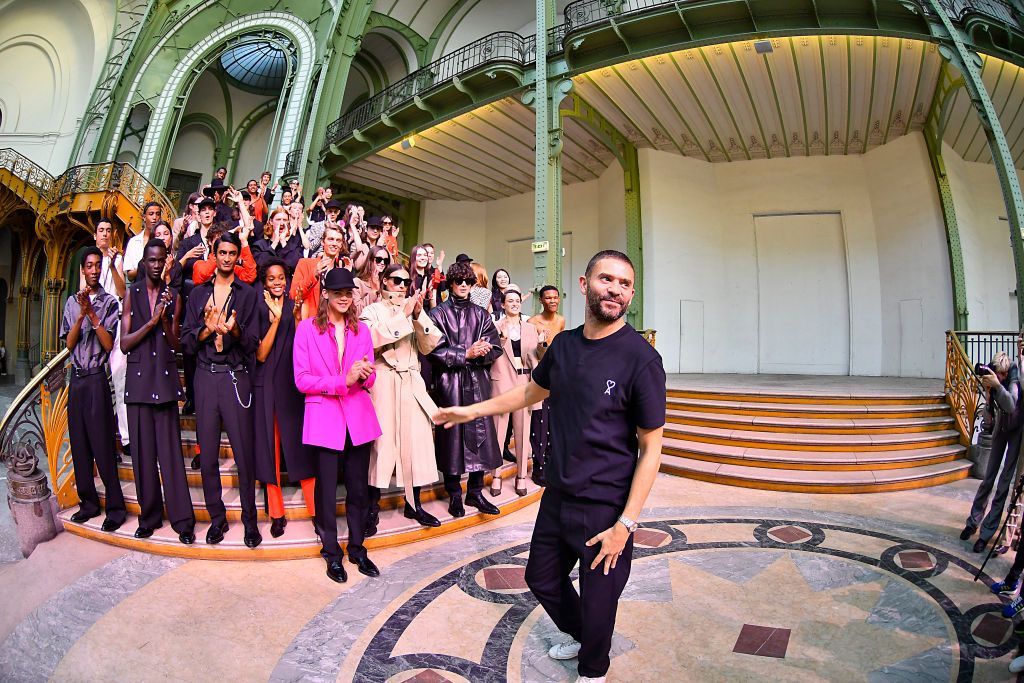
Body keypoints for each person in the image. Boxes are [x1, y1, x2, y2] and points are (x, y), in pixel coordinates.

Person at [433, 250, 666, 683]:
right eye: (605, 279)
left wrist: (627, 524)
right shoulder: (565, 345)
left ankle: (594, 670)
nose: (614, 289)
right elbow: (527, 394)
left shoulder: (641, 360)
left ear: (631, 294)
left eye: (624, 284)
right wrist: (471, 411)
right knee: (540, 577)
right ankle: (582, 637)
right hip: (559, 494)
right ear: (584, 284)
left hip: (606, 504)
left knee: (600, 603)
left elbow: (651, 447)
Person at [293, 267, 382, 582]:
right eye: (338, 292)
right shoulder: (306, 330)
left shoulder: (362, 331)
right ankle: (331, 552)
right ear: (326, 294)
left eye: (349, 293)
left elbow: (370, 376)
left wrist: (365, 373)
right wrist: (342, 380)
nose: (344, 298)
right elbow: (302, 380)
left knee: (359, 488)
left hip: (357, 416)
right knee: (327, 491)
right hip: (324, 417)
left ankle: (357, 548)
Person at [181, 231, 265, 548]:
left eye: (232, 253)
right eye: (223, 253)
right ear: (214, 255)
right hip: (205, 377)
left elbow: (253, 343)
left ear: (237, 256)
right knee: (208, 457)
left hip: (234, 376)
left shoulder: (248, 295)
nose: (228, 258)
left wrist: (235, 328)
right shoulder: (197, 295)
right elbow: (187, 343)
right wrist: (206, 329)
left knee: (244, 455)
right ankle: (218, 519)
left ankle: (250, 522)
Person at [120, 238, 196, 543]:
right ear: (143, 262)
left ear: (166, 261)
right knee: (142, 456)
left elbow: (177, 344)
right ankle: (148, 517)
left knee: (171, 457)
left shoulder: (173, 296)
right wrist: (151, 322)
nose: (155, 265)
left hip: (163, 384)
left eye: (160, 260)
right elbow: (124, 344)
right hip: (138, 385)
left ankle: (183, 520)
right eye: (150, 260)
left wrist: (164, 321)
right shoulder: (131, 293)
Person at [360, 264, 443, 532]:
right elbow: (369, 341)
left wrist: (419, 316)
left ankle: (413, 503)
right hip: (384, 380)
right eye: (396, 280)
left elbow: (430, 346)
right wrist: (403, 316)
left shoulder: (413, 310)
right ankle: (371, 508)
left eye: (405, 282)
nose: (401, 286)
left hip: (411, 380)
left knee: (416, 444)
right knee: (381, 445)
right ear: (383, 281)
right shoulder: (371, 310)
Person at [427, 261, 502, 517]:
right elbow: (433, 350)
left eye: (467, 282)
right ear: (450, 284)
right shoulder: (437, 314)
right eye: (458, 281)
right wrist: (465, 353)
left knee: (479, 436)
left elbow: (495, 345)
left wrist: (482, 352)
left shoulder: (481, 314)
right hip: (450, 384)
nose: (463, 286)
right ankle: (454, 495)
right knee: (453, 441)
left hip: (477, 382)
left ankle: (476, 492)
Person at [61, 247, 127, 532]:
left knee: (102, 443)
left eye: (97, 265)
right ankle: (88, 504)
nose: (94, 269)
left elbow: (109, 344)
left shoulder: (110, 302)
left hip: (97, 379)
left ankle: (115, 508)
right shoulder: (70, 303)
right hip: (76, 380)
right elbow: (69, 344)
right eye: (89, 265)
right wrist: (80, 315)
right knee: (79, 445)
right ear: (82, 270)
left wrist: (93, 315)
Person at [254, 258, 316, 538]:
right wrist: (276, 320)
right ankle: (276, 514)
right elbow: (260, 354)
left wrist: (293, 315)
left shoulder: (296, 307)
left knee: (301, 450)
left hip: (293, 386)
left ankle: (316, 511)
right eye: (271, 278)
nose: (277, 282)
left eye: (281, 278)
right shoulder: (257, 309)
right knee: (270, 450)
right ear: (264, 283)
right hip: (267, 385)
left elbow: (304, 343)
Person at [962, 348, 1024, 553]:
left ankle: (987, 533)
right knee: (988, 479)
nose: (999, 376)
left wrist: (998, 386)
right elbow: (988, 417)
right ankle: (973, 521)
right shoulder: (994, 378)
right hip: (1001, 429)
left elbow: (1011, 404)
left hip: (1017, 431)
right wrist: (989, 396)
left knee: (1003, 483)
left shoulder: (1013, 373)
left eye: (1001, 374)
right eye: (997, 374)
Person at [491, 288, 544, 496]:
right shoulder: (494, 326)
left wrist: (541, 345)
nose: (514, 304)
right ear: (502, 304)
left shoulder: (530, 328)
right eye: (510, 301)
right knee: (498, 431)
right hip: (502, 381)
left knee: (523, 431)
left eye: (517, 301)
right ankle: (496, 475)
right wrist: (502, 339)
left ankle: (521, 475)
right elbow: (491, 354)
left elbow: (536, 358)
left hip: (524, 381)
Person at [176, 196, 219, 415]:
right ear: (198, 214)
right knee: (191, 350)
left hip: (215, 300)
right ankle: (191, 398)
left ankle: (209, 400)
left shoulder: (219, 239)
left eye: (211, 209)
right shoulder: (188, 242)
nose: (207, 213)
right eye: (204, 210)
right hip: (192, 300)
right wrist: (187, 257)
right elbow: (177, 271)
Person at [91, 219, 129, 461]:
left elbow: (123, 292)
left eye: (108, 231)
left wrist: (114, 265)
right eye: (101, 231)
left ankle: (125, 438)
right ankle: (101, 442)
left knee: (121, 381)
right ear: (95, 236)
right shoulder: (90, 261)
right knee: (99, 386)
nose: (104, 234)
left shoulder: (117, 258)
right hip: (96, 326)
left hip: (115, 324)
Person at [528, 285, 566, 484]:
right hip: (539, 374)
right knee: (539, 422)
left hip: (557, 375)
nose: (552, 301)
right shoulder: (532, 322)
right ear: (541, 300)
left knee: (554, 420)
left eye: (555, 297)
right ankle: (538, 467)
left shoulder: (560, 320)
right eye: (548, 298)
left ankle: (550, 463)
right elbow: (528, 350)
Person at [291, 223, 352, 320]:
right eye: (330, 239)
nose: (334, 243)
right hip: (311, 323)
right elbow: (294, 295)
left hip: (333, 323)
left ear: (341, 244)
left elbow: (346, 301)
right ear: (323, 242)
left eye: (338, 240)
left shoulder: (341, 268)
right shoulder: (305, 264)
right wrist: (313, 274)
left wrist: (346, 277)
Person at [251, 206, 304, 275]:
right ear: (271, 221)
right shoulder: (259, 245)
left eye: (285, 220)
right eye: (278, 219)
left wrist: (283, 243)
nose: (281, 223)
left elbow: (295, 266)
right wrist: (275, 242)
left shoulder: (293, 246)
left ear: (288, 223)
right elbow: (260, 264)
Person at [124, 201, 164, 281]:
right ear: (144, 217)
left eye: (158, 214)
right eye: (151, 214)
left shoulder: (163, 240)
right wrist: (146, 266)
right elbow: (130, 275)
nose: (154, 217)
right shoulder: (134, 242)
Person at [354, 245, 388, 313]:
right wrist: (374, 291)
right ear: (371, 260)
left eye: (386, 260)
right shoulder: (357, 283)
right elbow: (357, 311)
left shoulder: (386, 283)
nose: (382, 263)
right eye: (379, 259)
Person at [152, 222, 184, 294]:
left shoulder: (176, 266)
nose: (162, 238)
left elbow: (175, 294)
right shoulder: (145, 263)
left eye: (166, 234)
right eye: (158, 235)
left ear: (171, 238)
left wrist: (167, 274)